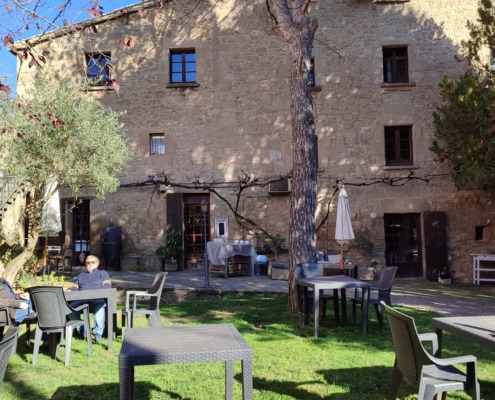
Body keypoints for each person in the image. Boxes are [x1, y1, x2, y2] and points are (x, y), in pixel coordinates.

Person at [68, 255, 111, 343]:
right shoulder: (81, 275)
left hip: (96, 299)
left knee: (100, 306)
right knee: (69, 308)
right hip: (81, 300)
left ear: (97, 264)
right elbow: (75, 287)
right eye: (88, 262)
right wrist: (70, 290)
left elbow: (107, 285)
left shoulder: (103, 273)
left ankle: (98, 333)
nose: (90, 264)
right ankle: (82, 329)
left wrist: (98, 294)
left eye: (93, 262)